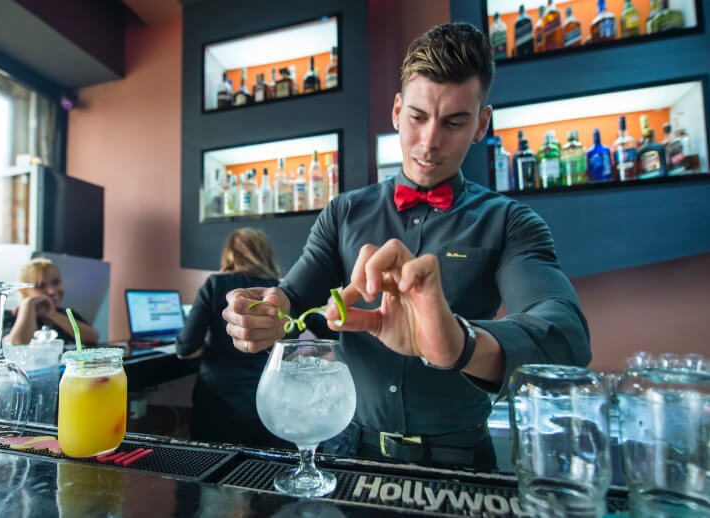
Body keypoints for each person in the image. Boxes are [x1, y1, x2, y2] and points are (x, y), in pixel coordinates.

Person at [222, 22, 591, 471]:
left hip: (461, 462)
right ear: (397, 111)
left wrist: (459, 343)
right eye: (417, 117)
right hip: (350, 453)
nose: (430, 141)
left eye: (454, 122)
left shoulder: (510, 221)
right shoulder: (342, 213)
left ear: (481, 124)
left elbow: (566, 337)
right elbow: (293, 299)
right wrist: (266, 314)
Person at [177, 228, 293, 448]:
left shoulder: (214, 285)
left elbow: (186, 347)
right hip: (269, 403)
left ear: (229, 254)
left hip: (217, 406)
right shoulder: (281, 292)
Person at [0, 258, 100, 345]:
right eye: (41, 286)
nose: (51, 291)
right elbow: (18, 343)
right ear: (24, 291)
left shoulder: (65, 314)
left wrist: (50, 313)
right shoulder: (6, 318)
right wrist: (28, 305)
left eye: (56, 282)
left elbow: (93, 338)